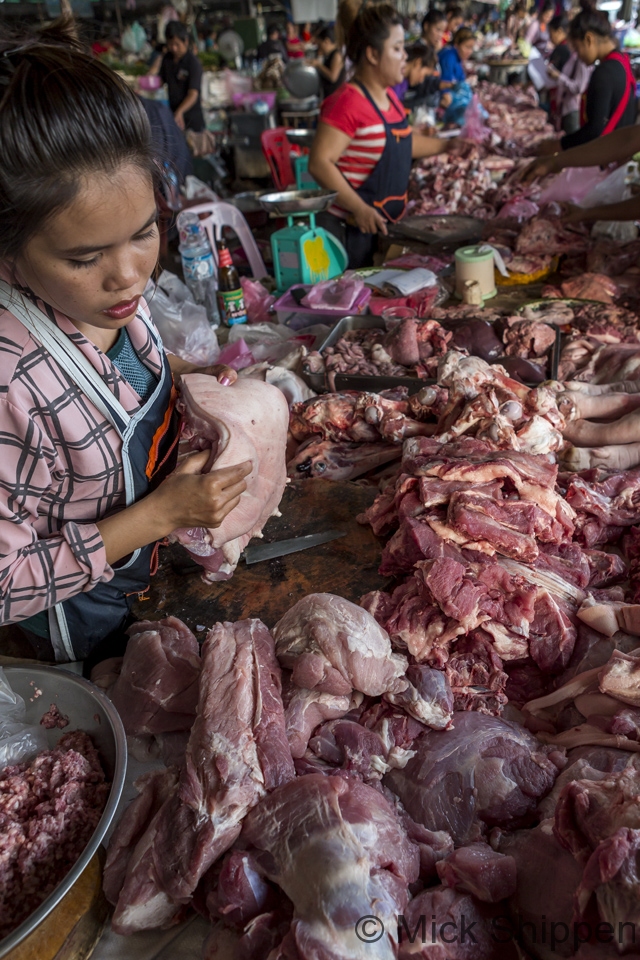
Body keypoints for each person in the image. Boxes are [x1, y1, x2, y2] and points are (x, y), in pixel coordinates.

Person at [0, 20, 251, 664]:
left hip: (143, 575)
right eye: (86, 258)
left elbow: (107, 379)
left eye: (144, 233)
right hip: (74, 627)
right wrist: (157, 517)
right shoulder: (9, 379)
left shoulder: (102, 298)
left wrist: (177, 369)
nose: (131, 275)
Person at [309, 4, 451, 269]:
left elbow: (404, 142)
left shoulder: (389, 99)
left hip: (381, 229)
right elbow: (319, 162)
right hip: (348, 233)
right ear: (373, 54)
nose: (405, 57)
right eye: (397, 49)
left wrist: (449, 145)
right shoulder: (347, 102)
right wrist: (358, 207)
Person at [535, 3, 636, 155]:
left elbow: (594, 132)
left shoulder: (604, 73)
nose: (578, 55)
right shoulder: (622, 61)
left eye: (577, 47)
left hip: (607, 157)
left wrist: (557, 147)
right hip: (619, 154)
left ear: (589, 39)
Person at [150, 21, 205, 132]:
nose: (174, 48)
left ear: (185, 41)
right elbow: (160, 81)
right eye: (170, 44)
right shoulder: (167, 59)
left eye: (177, 44)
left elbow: (193, 94)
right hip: (173, 117)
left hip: (191, 118)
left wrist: (180, 111)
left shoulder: (193, 63)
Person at [392, 41, 441, 107]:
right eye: (424, 75)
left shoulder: (404, 83)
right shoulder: (393, 80)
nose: (421, 80)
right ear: (418, 63)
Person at [311, 25, 345, 99]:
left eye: (320, 44)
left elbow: (333, 77)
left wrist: (318, 65)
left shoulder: (337, 55)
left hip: (335, 96)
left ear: (327, 41)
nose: (319, 48)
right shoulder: (329, 55)